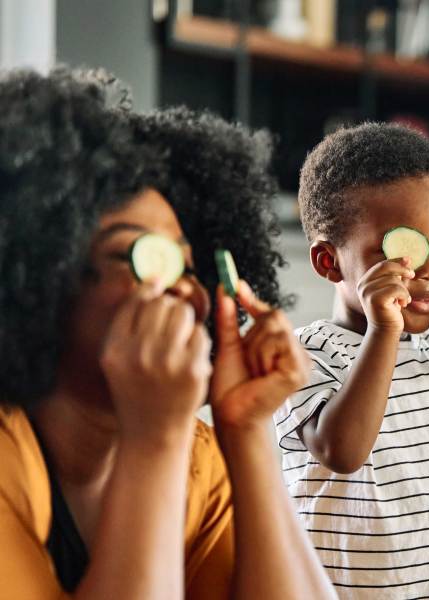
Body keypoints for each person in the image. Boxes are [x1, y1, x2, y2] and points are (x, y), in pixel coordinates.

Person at [0, 67, 336, 600]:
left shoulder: (197, 460)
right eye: (136, 255)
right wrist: (152, 441)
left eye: (187, 265)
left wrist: (246, 431)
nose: (186, 291)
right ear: (36, 277)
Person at [273, 122, 429, 599]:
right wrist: (385, 330)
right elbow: (341, 450)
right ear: (329, 262)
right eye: (402, 249)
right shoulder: (301, 355)